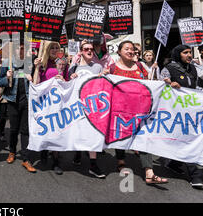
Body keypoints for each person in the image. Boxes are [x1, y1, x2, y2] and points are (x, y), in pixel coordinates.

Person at [108, 40, 168, 185]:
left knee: (143, 137)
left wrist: (161, 80)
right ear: (119, 52)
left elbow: (150, 84)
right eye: (127, 49)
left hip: (140, 109)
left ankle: (149, 172)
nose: (130, 51)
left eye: (132, 49)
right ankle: (121, 159)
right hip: (120, 110)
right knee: (120, 133)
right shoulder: (112, 68)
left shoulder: (140, 66)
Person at [160, 44, 203, 189]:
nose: (189, 55)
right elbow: (160, 85)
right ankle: (195, 175)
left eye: (190, 52)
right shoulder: (169, 68)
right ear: (178, 54)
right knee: (188, 139)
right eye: (185, 53)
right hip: (176, 111)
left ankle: (173, 163)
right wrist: (169, 84)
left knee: (188, 138)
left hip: (191, 110)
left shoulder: (193, 68)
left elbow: (196, 87)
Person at [68, 40, 106, 178]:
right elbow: (67, 87)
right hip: (77, 107)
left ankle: (93, 165)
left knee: (93, 134)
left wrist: (104, 77)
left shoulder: (97, 67)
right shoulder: (74, 68)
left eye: (91, 49)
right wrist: (71, 77)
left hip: (93, 107)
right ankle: (78, 153)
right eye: (86, 49)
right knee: (78, 132)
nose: (89, 51)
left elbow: (104, 86)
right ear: (81, 52)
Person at [0, 42, 37, 173]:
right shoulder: (7, 63)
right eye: (18, 48)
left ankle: (26, 159)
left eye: (23, 48)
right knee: (14, 129)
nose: (20, 51)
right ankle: (12, 151)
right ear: (14, 49)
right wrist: (7, 77)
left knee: (25, 130)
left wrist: (33, 74)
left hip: (26, 100)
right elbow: (0, 81)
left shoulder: (30, 63)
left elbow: (36, 79)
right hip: (12, 100)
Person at [33, 41, 67, 174]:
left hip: (59, 102)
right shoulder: (42, 63)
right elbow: (36, 83)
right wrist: (36, 68)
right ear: (47, 50)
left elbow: (68, 81)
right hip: (45, 102)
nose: (54, 49)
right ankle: (44, 150)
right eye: (51, 47)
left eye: (56, 48)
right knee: (46, 128)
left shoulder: (63, 63)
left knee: (57, 130)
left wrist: (64, 81)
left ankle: (56, 161)